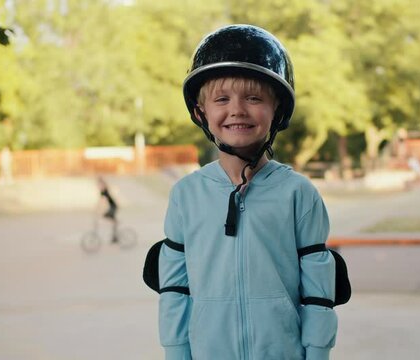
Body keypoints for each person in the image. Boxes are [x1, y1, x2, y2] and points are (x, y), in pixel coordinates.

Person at [155, 25, 338, 359]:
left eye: (254, 98)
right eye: (222, 99)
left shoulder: (298, 194)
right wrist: (177, 352)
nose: (237, 109)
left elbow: (319, 290)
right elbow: (174, 288)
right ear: (201, 112)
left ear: (278, 110)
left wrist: (317, 353)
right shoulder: (186, 195)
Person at [96, 176, 118, 243]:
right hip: (112, 206)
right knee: (111, 220)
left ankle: (115, 235)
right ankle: (114, 236)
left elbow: (102, 201)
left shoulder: (105, 190)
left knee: (106, 215)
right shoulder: (103, 191)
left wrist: (98, 208)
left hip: (113, 206)